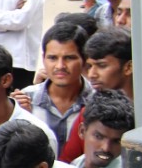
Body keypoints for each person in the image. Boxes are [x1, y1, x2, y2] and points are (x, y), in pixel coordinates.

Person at [19, 22, 93, 154]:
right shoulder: (25, 99)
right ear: (43, 59)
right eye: (52, 58)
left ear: (85, 59)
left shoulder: (97, 101)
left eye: (69, 58)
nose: (60, 66)